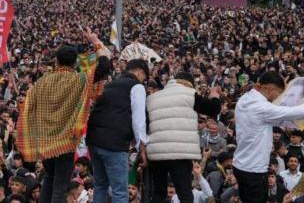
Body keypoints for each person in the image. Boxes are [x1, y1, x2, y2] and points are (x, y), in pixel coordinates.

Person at [16, 28, 112, 203]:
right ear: (75, 62)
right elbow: (105, 65)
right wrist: (95, 41)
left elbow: (28, 107)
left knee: (49, 179)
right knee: (60, 185)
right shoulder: (80, 79)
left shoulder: (42, 81)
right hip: (65, 142)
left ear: (56, 61)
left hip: (45, 141)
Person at [146, 71, 222, 203]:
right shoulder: (189, 94)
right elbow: (213, 109)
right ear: (189, 84)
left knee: (158, 192)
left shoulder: (153, 97)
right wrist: (214, 96)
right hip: (180, 153)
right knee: (185, 193)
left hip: (156, 152)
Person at [233, 71, 304, 203]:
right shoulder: (261, 107)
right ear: (271, 89)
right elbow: (295, 112)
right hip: (254, 170)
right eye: (279, 93)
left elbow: (275, 119)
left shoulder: (244, 99)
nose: (279, 98)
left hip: (240, 164)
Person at [86, 58, 150, 203]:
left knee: (100, 185)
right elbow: (138, 120)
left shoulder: (110, 85)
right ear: (140, 72)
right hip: (114, 143)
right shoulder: (137, 87)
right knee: (120, 190)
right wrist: (142, 146)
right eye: (144, 78)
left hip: (94, 140)